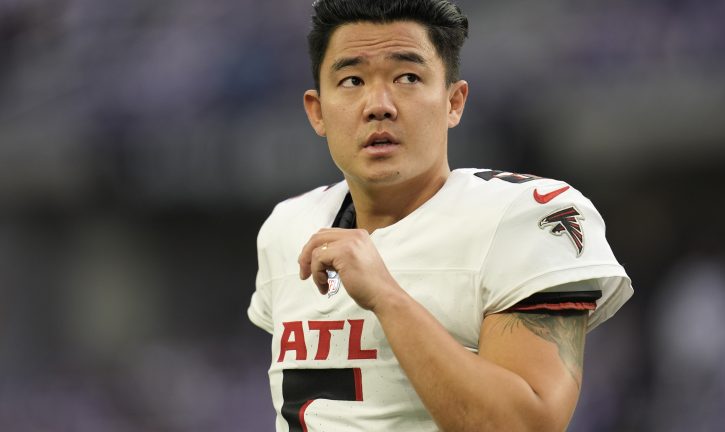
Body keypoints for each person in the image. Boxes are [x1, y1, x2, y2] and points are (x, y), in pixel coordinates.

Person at [248, 1, 633, 430]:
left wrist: (387, 298)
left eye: (408, 77)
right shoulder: (287, 228)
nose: (379, 105)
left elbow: (527, 426)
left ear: (454, 101)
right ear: (317, 111)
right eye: (352, 80)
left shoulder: (523, 218)